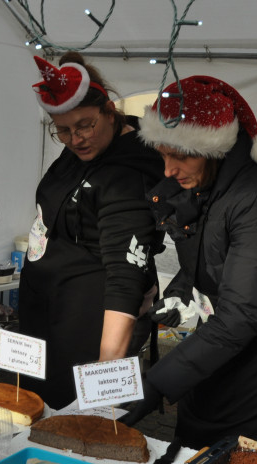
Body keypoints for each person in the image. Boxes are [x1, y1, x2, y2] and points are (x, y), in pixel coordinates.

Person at [122, 75, 257, 459]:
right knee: (199, 449)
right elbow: (208, 257)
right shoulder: (208, 183)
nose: (169, 170)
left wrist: (156, 383)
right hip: (223, 344)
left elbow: (239, 318)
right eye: (163, 154)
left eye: (182, 155)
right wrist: (179, 293)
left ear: (215, 148)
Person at [20, 53, 164, 409]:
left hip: (90, 321)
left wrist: (106, 369)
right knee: (42, 413)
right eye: (63, 130)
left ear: (109, 111)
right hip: (50, 311)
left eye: (85, 125)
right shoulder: (86, 150)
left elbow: (124, 277)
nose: (76, 138)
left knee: (86, 424)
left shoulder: (126, 174)